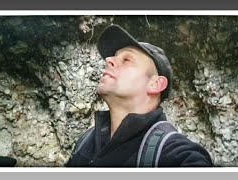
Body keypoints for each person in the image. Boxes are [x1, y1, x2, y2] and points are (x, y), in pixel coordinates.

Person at [66, 24, 213, 167]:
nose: (108, 60)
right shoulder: (85, 142)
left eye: (127, 60)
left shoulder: (178, 155)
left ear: (155, 84)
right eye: (113, 57)